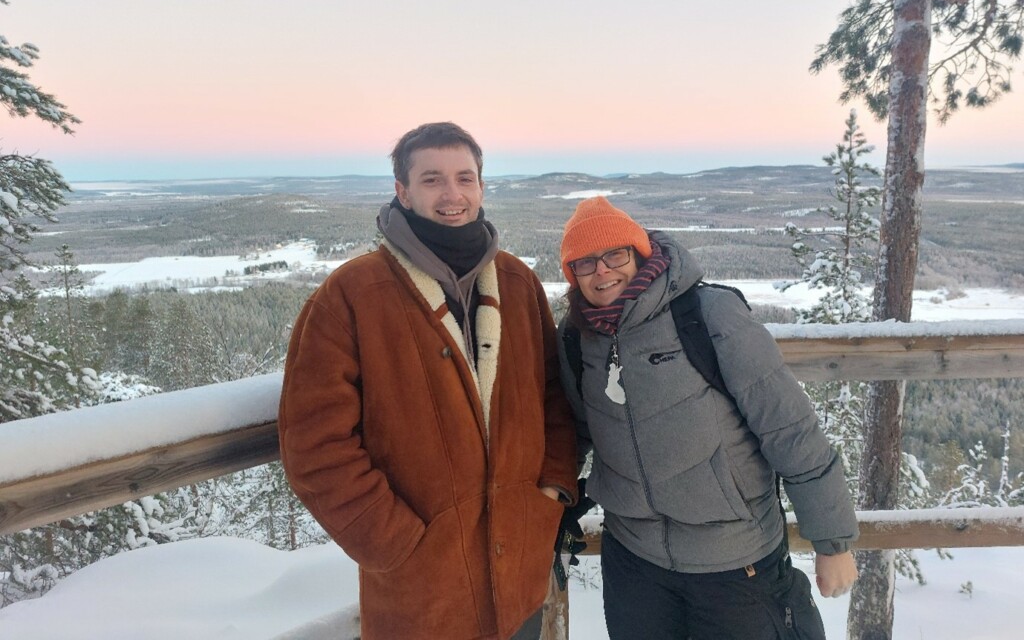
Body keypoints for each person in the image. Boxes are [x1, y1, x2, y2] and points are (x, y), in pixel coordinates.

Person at [278, 122, 578, 640]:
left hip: (520, 579)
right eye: (433, 179)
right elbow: (314, 444)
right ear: (403, 192)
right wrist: (394, 542)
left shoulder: (516, 281)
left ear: (481, 187)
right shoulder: (352, 294)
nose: (452, 194)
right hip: (421, 597)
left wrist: (549, 492)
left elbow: (554, 397)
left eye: (465, 178)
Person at [556, 196, 859, 640]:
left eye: (614, 254)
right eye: (585, 262)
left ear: (639, 254)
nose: (602, 271)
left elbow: (789, 427)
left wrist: (832, 542)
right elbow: (578, 431)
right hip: (636, 565)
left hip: (736, 561)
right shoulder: (576, 337)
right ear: (572, 274)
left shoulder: (708, 314)